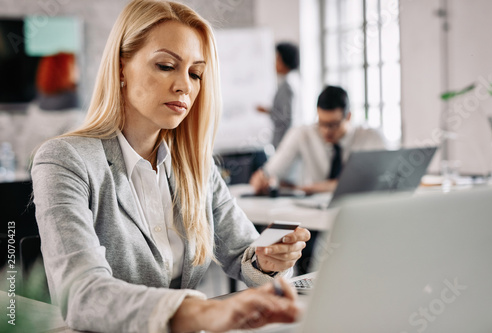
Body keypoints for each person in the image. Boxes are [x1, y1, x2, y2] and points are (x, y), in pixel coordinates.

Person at [31, 1, 310, 332]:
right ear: (121, 67)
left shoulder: (195, 168)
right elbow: (81, 294)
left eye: (195, 73)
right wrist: (198, 313)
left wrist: (268, 259)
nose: (185, 86)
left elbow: (243, 254)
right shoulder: (64, 160)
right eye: (165, 66)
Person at [250, 86, 387, 195]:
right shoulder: (303, 133)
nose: (326, 131)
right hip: (314, 219)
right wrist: (263, 178)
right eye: (321, 123)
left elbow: (384, 181)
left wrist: (326, 187)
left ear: (348, 117)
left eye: (333, 124)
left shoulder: (371, 137)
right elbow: (271, 171)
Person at [257, 42, 301, 149]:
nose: (274, 63)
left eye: (277, 58)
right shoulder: (295, 80)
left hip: (285, 143)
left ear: (285, 60)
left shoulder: (287, 85)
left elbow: (286, 118)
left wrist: (268, 111)